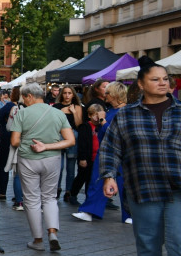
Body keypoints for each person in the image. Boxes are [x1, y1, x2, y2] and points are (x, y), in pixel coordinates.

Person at [99, 57, 181, 256]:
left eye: (165, 79)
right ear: (141, 84)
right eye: (155, 79)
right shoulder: (126, 115)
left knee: (178, 242)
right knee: (148, 242)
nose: (162, 83)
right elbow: (110, 148)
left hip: (178, 188)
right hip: (143, 186)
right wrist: (109, 176)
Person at [9, 82, 75, 251]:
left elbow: (14, 141)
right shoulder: (58, 113)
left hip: (28, 159)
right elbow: (70, 140)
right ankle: (52, 232)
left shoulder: (22, 114)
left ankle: (38, 240)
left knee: (32, 200)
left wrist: (28, 142)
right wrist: (47, 146)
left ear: (30, 96)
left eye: (24, 98)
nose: (23, 101)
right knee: (50, 197)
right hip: (52, 159)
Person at [72, 82, 128, 222]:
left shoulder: (125, 111)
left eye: (107, 93)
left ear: (114, 94)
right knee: (96, 181)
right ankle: (89, 210)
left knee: (124, 183)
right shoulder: (111, 110)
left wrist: (102, 120)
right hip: (104, 151)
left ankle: (129, 214)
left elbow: (117, 133)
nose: (105, 95)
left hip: (120, 152)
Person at [65, 104, 104, 205]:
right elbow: (82, 144)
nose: (97, 118)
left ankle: (89, 197)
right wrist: (82, 158)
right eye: (94, 115)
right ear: (89, 115)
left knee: (92, 179)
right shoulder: (85, 127)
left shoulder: (101, 127)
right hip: (86, 157)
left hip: (97, 157)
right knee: (82, 177)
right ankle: (73, 194)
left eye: (98, 115)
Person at [53, 85, 83, 202]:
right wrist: (61, 112)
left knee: (71, 167)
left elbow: (79, 124)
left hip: (73, 137)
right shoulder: (56, 107)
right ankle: (57, 189)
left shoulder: (77, 107)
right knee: (58, 167)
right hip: (58, 137)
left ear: (73, 95)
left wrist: (74, 112)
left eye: (69, 93)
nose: (67, 95)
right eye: (65, 93)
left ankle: (68, 192)